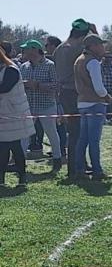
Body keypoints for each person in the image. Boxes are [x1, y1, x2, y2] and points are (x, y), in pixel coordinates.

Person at [53, 18, 92, 177]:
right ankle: (75, 168)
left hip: (64, 93)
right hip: (75, 92)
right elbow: (97, 53)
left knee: (74, 131)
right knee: (78, 132)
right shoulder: (78, 49)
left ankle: (79, 164)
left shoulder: (59, 48)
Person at [73, 34, 112, 179]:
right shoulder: (93, 62)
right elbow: (99, 88)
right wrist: (106, 96)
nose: (103, 47)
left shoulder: (79, 60)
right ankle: (97, 170)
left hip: (82, 102)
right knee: (94, 140)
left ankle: (79, 169)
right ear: (93, 46)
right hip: (95, 103)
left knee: (83, 139)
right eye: (101, 45)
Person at [19, 40, 62, 171]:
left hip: (46, 105)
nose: (24, 52)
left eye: (26, 49)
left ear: (34, 50)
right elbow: (19, 85)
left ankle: (57, 159)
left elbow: (56, 86)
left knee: (51, 133)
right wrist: (25, 84)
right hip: (28, 106)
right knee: (24, 135)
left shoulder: (50, 65)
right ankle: (20, 162)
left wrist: (38, 85)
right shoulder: (23, 67)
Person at [0, 48, 35, 187]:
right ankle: (2, 180)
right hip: (4, 113)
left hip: (13, 113)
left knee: (15, 147)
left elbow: (5, 88)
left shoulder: (11, 70)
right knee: (3, 148)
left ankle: (22, 178)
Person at [101, 53, 112, 126]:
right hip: (104, 88)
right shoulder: (100, 65)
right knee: (104, 104)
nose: (109, 59)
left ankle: (111, 117)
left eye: (110, 57)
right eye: (107, 57)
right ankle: (104, 118)